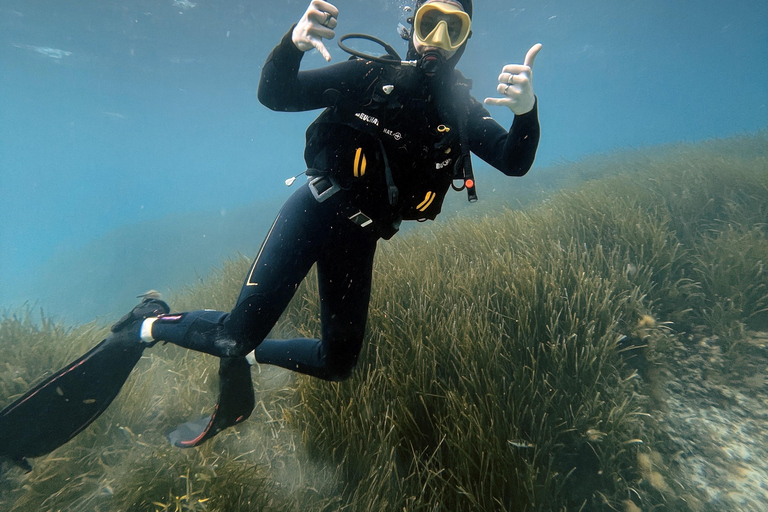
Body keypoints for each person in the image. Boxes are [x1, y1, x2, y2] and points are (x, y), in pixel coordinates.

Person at [0, 0, 541, 466]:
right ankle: (146, 325)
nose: (439, 41)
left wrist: (526, 111)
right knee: (234, 331)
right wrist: (293, 43)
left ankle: (246, 357)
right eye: (430, 22)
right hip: (314, 209)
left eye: (456, 28)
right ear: (411, 26)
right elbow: (275, 94)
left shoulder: (462, 110)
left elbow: (514, 161)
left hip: (361, 238)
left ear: (466, 41)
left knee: (337, 362)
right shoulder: (368, 76)